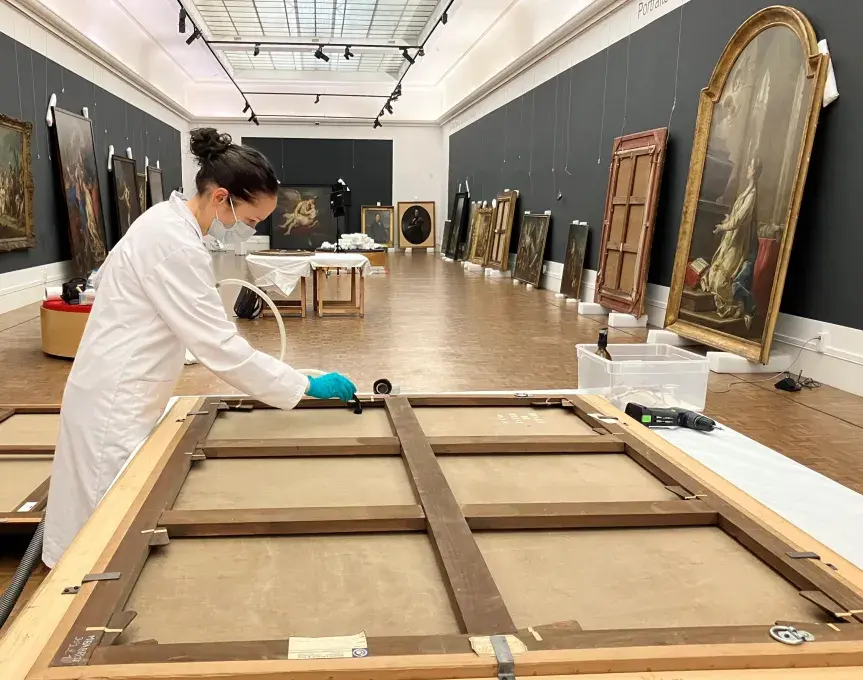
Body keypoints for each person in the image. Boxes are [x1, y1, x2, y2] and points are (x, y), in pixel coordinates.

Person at [43, 128, 356, 568]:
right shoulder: (174, 244)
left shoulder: (166, 225)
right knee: (98, 537)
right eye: (249, 220)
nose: (249, 230)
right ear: (222, 198)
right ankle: (66, 614)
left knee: (100, 520)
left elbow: (178, 322)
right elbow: (220, 346)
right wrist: (303, 382)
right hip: (115, 400)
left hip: (123, 385)